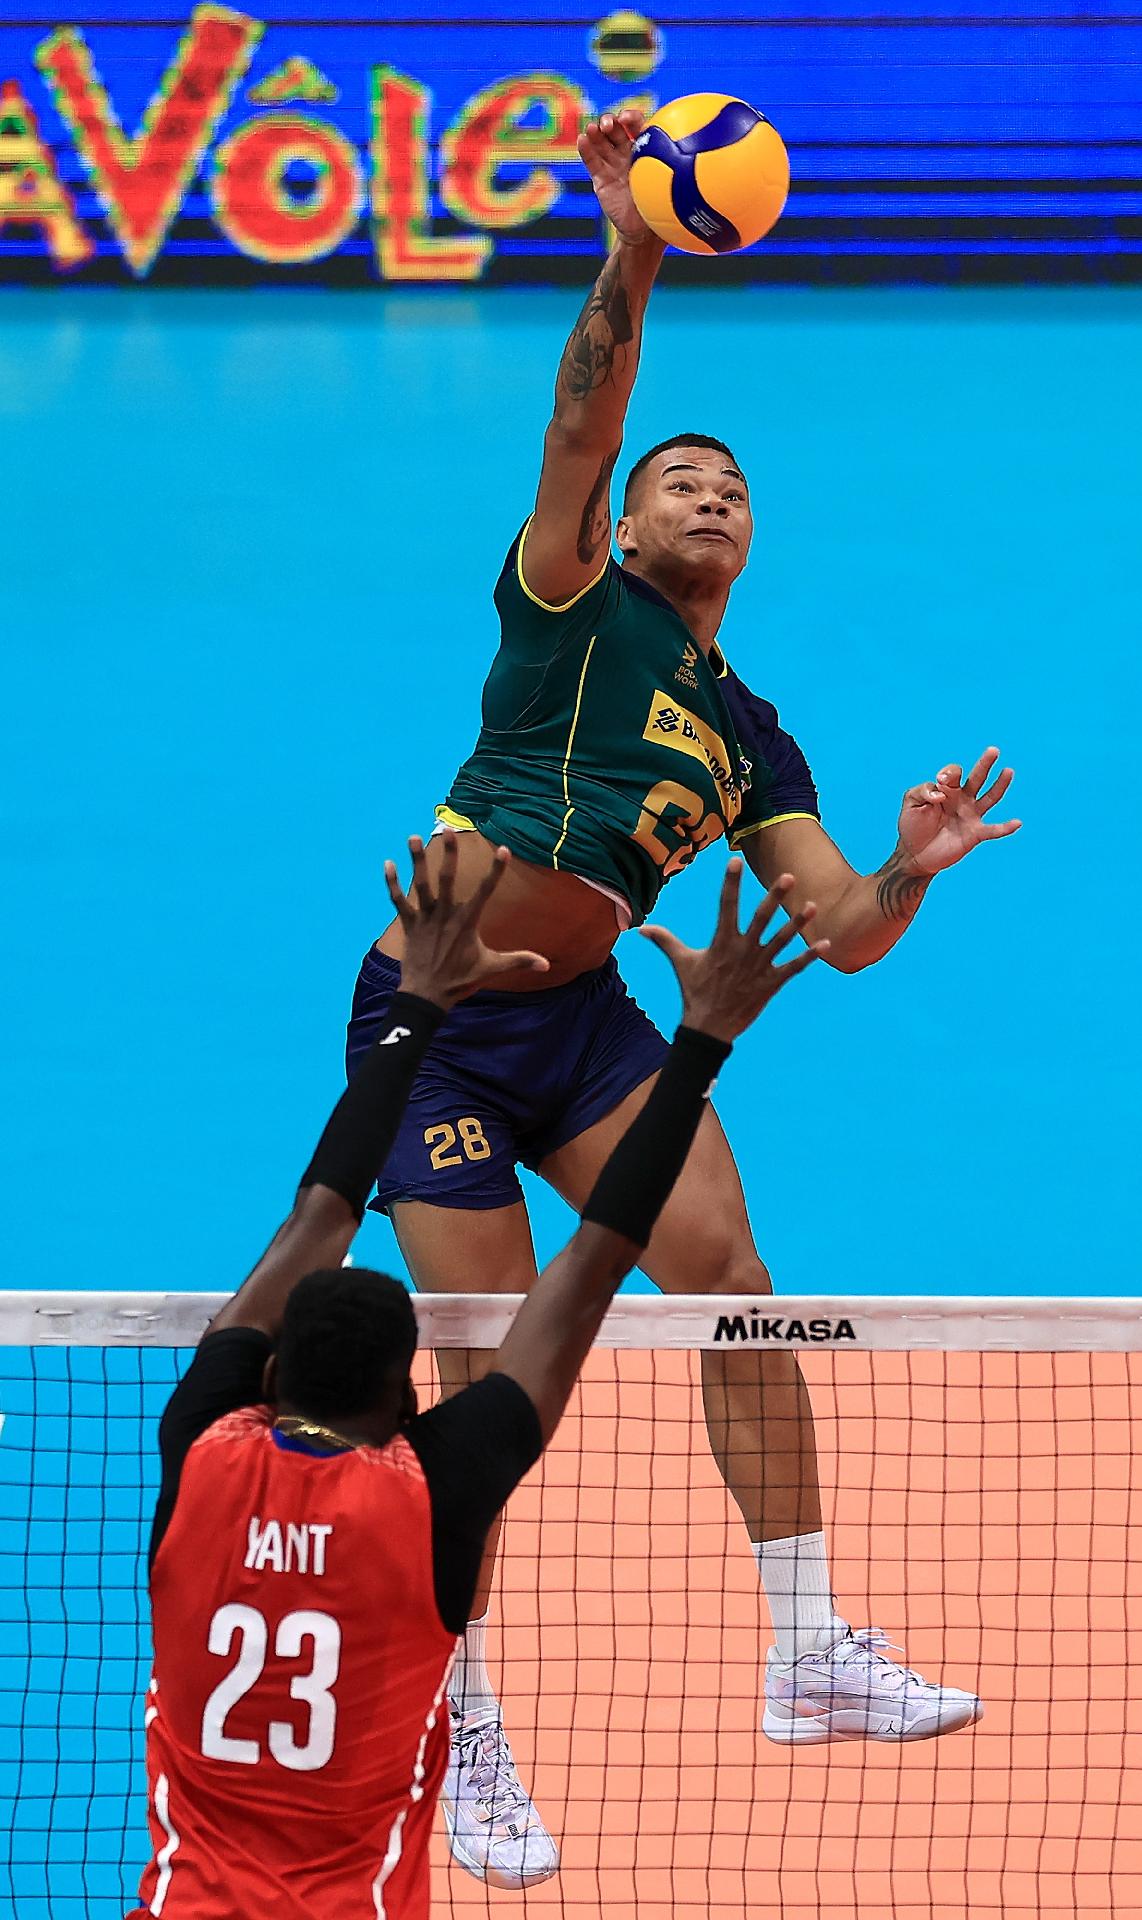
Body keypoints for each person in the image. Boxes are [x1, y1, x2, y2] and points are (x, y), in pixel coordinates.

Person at [346, 110, 1017, 1885]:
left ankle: (808, 1651)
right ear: (621, 519)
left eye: (729, 487)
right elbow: (584, 395)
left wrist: (907, 870)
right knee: (494, 1375)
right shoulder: (566, 602)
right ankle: (458, 1722)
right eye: (676, 478)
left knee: (736, 1284)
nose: (705, 492)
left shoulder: (749, 734)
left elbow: (841, 935)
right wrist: (631, 244)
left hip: (585, 1032)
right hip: (443, 1011)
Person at [128, 831, 824, 1918]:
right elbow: (596, 1255)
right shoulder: (423, 1502)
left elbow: (321, 1216)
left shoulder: (199, 1456)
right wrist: (702, 1040)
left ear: (259, 1379)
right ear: (405, 1410)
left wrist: (406, 1014)